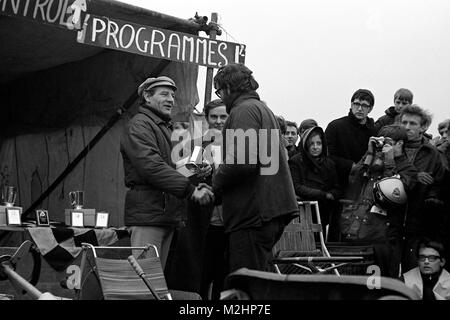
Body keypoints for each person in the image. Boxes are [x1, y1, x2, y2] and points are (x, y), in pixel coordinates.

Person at [212, 63, 299, 273]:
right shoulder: (262, 109)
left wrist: (215, 183)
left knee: (247, 284)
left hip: (254, 212)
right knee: (258, 278)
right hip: (269, 210)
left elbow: (241, 161)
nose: (221, 98)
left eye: (220, 91)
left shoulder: (244, 111)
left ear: (230, 89)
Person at [120, 76, 213, 270]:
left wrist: (195, 170)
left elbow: (170, 165)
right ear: (147, 96)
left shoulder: (162, 127)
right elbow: (151, 166)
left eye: (172, 94)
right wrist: (190, 190)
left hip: (163, 214)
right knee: (145, 283)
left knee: (155, 283)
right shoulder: (140, 125)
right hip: (149, 214)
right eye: (164, 94)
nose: (171, 99)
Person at [166, 99, 228, 300]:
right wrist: (200, 170)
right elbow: (182, 173)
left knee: (225, 277)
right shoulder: (197, 145)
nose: (219, 121)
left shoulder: (239, 145)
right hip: (204, 222)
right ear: (207, 119)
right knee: (201, 273)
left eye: (223, 116)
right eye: (214, 117)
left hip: (231, 222)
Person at [339, 125, 417, 277]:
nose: (383, 147)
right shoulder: (373, 162)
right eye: (381, 142)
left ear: (400, 144)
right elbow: (353, 181)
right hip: (358, 233)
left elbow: (392, 194)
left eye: (388, 143)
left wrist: (389, 163)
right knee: (357, 284)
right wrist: (368, 153)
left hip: (385, 238)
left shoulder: (408, 169)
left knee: (378, 285)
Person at [399, 105, 446, 272]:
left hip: (417, 222)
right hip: (389, 223)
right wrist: (415, 175)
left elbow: (438, 182)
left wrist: (431, 198)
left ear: (423, 127)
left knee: (412, 271)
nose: (407, 127)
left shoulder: (432, 153)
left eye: (412, 123)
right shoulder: (393, 148)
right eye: (404, 122)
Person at [288, 126, 341, 239]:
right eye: (312, 144)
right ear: (306, 144)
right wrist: (323, 194)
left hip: (324, 212)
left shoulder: (329, 163)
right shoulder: (296, 162)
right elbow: (296, 187)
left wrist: (333, 194)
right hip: (304, 213)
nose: (315, 147)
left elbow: (336, 187)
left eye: (319, 143)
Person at [325, 89, 377, 188]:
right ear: (351, 105)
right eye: (357, 104)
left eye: (364, 105)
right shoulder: (335, 127)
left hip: (364, 185)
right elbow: (326, 156)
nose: (360, 108)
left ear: (370, 109)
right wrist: (350, 166)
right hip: (338, 184)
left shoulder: (374, 132)